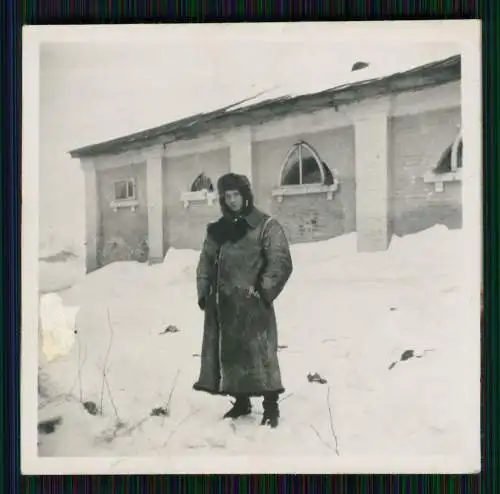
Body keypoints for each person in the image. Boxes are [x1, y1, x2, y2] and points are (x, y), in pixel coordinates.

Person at [193, 172, 293, 428]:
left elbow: (280, 263)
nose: (232, 200)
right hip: (224, 305)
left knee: (262, 355)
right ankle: (241, 402)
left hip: (253, 305)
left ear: (245, 196)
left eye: (236, 195)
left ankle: (271, 407)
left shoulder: (266, 226)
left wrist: (262, 291)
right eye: (227, 196)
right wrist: (204, 291)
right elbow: (205, 261)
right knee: (231, 354)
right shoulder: (218, 230)